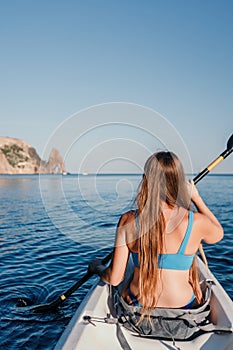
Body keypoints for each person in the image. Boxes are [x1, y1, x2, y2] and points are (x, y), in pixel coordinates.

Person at [89, 151, 223, 319]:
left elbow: (114, 278)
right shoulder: (195, 222)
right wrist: (196, 198)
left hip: (138, 307)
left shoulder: (128, 220)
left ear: (146, 180)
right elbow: (218, 233)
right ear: (179, 182)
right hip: (185, 308)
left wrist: (97, 267)